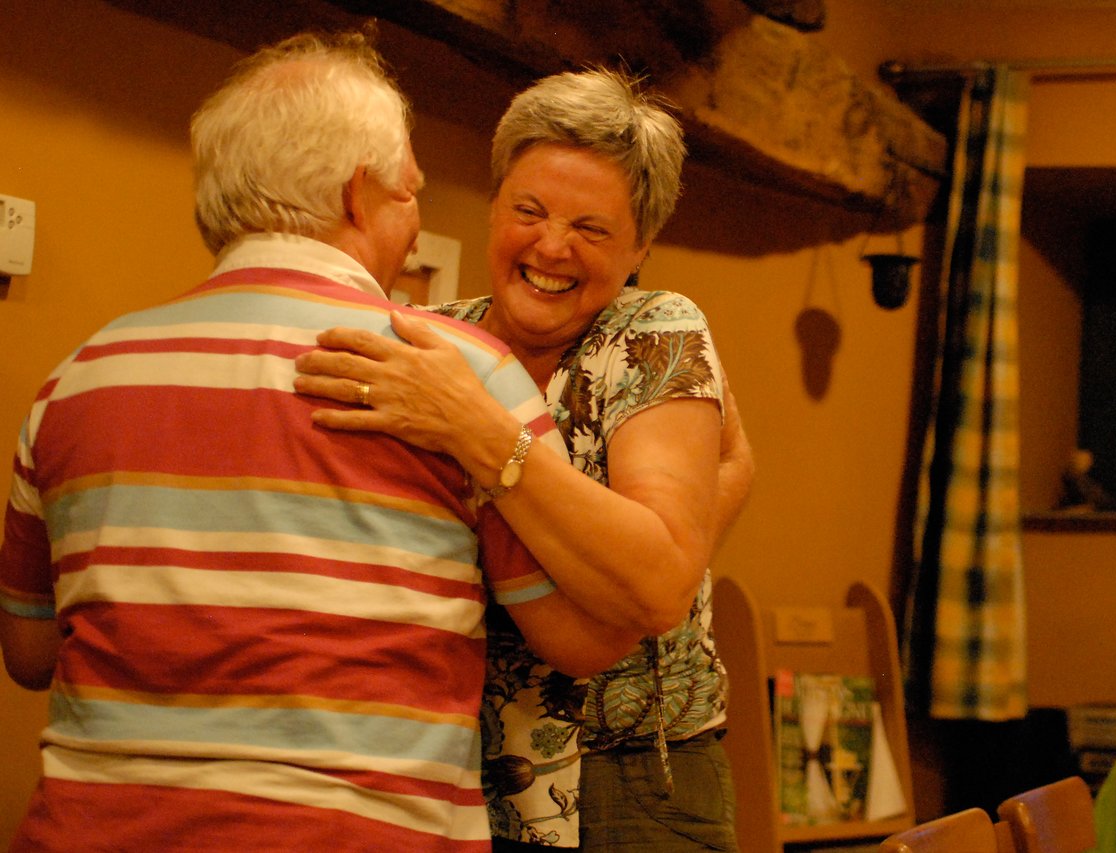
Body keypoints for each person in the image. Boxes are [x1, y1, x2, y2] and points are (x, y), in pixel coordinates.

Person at [0, 32, 634, 852]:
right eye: (410, 193)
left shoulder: (75, 380)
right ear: (355, 195)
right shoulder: (455, 373)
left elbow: (28, 650)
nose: (413, 224)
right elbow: (582, 638)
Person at [293, 67, 754, 851]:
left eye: (592, 228)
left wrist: (480, 432)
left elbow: (659, 581)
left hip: (628, 781)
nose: (551, 245)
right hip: (445, 771)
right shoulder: (427, 337)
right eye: (528, 211)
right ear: (493, 205)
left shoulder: (652, 334)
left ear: (641, 244)